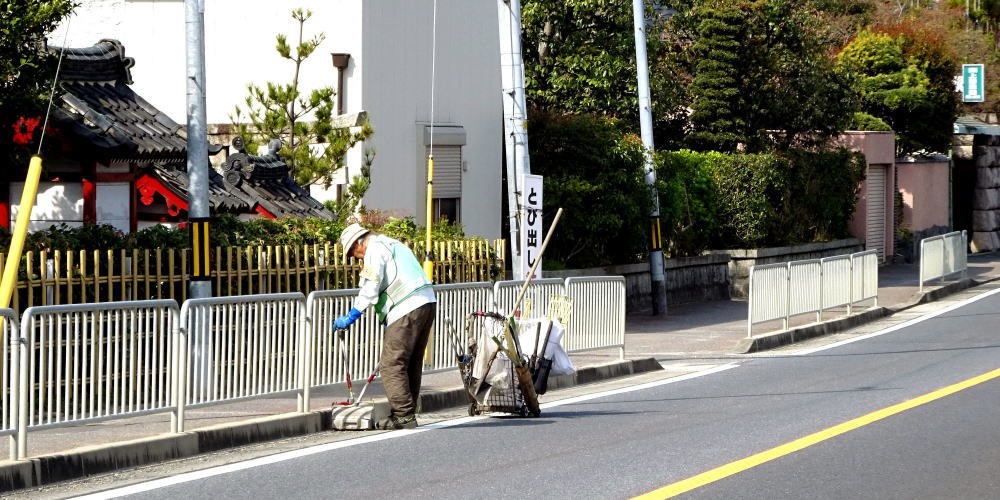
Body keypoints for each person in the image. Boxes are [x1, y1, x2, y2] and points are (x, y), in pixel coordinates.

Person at [333, 223, 437, 429]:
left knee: (391, 365)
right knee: (411, 363)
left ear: (358, 243)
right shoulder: (392, 243)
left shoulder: (374, 250)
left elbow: (371, 286)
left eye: (354, 253)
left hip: (405, 305)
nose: (356, 258)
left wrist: (352, 315)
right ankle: (406, 413)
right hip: (426, 302)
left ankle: (403, 416)